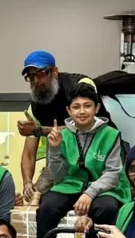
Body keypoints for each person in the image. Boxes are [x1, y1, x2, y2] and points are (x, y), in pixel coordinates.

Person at [36, 84, 130, 238]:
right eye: (76, 107)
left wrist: (90, 193)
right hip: (70, 186)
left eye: (87, 106)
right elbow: (58, 176)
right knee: (47, 207)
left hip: (105, 188)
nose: (82, 111)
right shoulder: (61, 135)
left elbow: (112, 173)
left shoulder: (111, 135)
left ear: (96, 108)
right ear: (68, 110)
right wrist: (54, 148)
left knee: (105, 208)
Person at [17, 51, 112, 203]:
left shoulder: (81, 84)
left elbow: (85, 126)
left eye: (41, 74)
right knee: (37, 201)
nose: (36, 80)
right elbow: (29, 153)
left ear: (54, 71)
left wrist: (39, 130)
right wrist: (27, 182)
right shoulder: (35, 108)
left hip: (96, 155)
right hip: (60, 161)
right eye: (31, 76)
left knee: (102, 203)